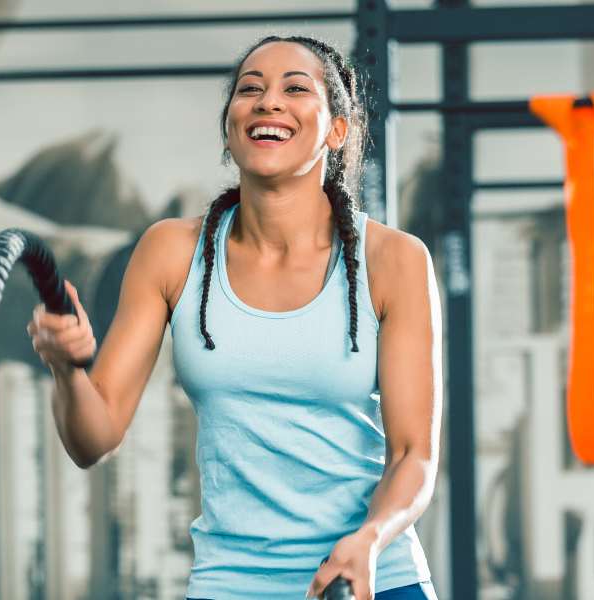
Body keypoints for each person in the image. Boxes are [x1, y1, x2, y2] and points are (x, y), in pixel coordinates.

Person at [27, 35, 443, 600]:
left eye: (296, 89)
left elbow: (412, 455)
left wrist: (369, 538)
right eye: (250, 90)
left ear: (336, 131)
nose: (268, 101)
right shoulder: (171, 252)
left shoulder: (394, 260)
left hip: (372, 578)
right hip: (232, 584)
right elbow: (91, 439)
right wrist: (68, 370)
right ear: (230, 127)